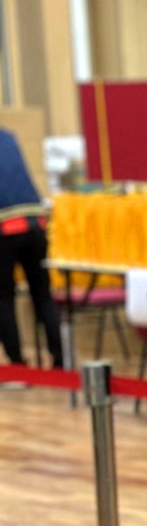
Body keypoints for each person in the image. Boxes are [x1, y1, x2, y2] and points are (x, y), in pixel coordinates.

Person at [0, 128, 62, 369]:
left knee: (3, 299)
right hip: (37, 220)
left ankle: (18, 368)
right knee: (43, 295)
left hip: (5, 225)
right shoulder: (8, 136)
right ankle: (60, 362)